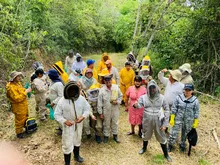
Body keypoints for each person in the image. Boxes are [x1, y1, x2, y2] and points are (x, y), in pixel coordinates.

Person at [133, 80, 172, 162]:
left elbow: (167, 110)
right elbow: (139, 105)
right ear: (148, 89)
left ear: (156, 88)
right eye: (150, 88)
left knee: (161, 136)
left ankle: (166, 154)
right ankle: (144, 148)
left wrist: (165, 124)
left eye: (154, 88)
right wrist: (135, 105)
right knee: (146, 134)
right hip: (147, 119)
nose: (152, 90)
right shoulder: (143, 97)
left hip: (159, 119)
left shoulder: (162, 98)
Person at [54, 81, 90, 164]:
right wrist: (64, 121)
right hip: (68, 126)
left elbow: (87, 109)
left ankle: (77, 156)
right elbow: (57, 114)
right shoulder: (62, 101)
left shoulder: (81, 98)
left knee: (77, 140)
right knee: (67, 144)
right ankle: (67, 163)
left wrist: (83, 116)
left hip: (79, 124)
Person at [168, 84, 200, 152]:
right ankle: (170, 145)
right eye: (186, 90)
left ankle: (182, 145)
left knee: (185, 133)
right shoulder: (178, 98)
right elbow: (174, 108)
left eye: (189, 90)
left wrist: (195, 121)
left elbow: (196, 112)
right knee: (174, 132)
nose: (187, 91)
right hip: (178, 118)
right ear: (184, 90)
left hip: (188, 120)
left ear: (192, 91)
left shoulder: (195, 100)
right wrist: (172, 118)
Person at [97, 74, 122, 143]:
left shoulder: (116, 88)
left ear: (111, 80)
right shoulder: (102, 90)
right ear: (104, 81)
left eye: (109, 80)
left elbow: (120, 96)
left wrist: (117, 101)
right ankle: (106, 136)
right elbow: (99, 102)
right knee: (106, 123)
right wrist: (100, 113)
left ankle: (115, 135)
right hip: (106, 109)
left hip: (115, 109)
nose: (108, 82)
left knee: (115, 122)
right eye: (106, 81)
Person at [6, 71, 32, 138]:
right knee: (19, 120)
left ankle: (26, 128)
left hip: (23, 104)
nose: (19, 77)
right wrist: (25, 92)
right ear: (14, 78)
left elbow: (21, 90)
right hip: (18, 106)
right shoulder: (10, 87)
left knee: (25, 117)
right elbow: (16, 98)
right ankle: (19, 133)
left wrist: (26, 89)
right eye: (18, 76)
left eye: (19, 76)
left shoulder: (18, 83)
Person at [78, 68, 97, 138]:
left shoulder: (94, 80)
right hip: (83, 97)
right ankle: (86, 131)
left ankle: (91, 127)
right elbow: (79, 87)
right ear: (85, 74)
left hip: (92, 97)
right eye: (87, 73)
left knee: (92, 112)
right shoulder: (81, 80)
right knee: (85, 114)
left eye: (90, 73)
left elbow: (96, 87)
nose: (89, 74)